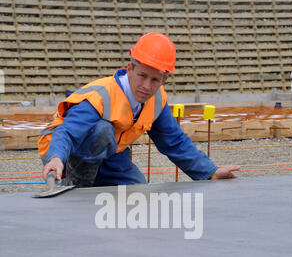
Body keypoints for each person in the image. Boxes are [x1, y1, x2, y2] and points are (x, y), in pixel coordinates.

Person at [38, 32, 240, 187]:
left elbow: (174, 142)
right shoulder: (102, 95)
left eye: (155, 80)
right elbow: (68, 132)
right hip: (65, 150)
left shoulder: (156, 100)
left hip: (110, 153)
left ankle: (96, 181)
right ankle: (76, 185)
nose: (146, 86)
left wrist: (211, 172)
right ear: (130, 68)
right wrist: (57, 158)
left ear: (164, 79)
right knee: (102, 130)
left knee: (139, 194)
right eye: (142, 75)